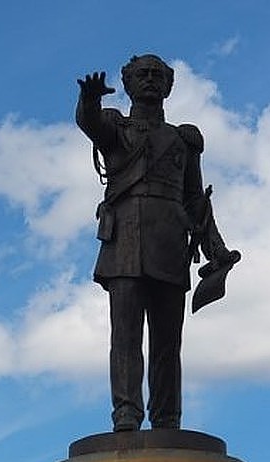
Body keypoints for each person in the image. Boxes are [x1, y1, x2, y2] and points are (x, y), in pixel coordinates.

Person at [76, 54, 239, 431]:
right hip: (125, 243)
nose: (150, 80)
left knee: (168, 343)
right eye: (142, 75)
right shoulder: (117, 128)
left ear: (168, 85)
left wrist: (216, 250)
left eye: (157, 75)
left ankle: (167, 418)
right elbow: (92, 124)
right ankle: (127, 413)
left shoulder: (183, 140)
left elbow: (195, 200)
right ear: (129, 84)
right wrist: (90, 100)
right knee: (126, 337)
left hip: (169, 244)